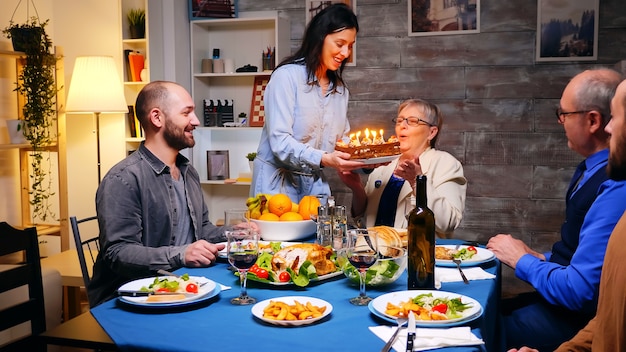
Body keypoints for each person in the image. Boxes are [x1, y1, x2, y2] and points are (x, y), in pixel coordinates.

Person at [487, 68, 626, 350]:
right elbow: (583, 255)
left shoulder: (615, 185)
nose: (611, 128)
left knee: (485, 328)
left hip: (574, 317)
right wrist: (541, 257)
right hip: (573, 312)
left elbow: (583, 292)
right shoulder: (590, 170)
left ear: (592, 121)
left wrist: (522, 261)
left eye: (564, 114)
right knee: (491, 308)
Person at [88, 81, 226, 306]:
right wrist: (181, 254)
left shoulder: (187, 171)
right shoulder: (123, 179)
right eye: (186, 113)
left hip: (182, 289)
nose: (196, 121)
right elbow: (118, 253)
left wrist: (238, 234)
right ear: (157, 118)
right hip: (133, 300)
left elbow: (202, 230)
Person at [250, 3, 367, 203]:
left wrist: (365, 161)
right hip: (277, 187)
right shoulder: (286, 77)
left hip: (314, 188)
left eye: (350, 46)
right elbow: (280, 143)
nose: (346, 53)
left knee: (322, 235)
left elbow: (342, 142)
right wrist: (323, 158)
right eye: (340, 44)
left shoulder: (339, 91)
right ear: (320, 37)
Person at [339, 98, 467, 237]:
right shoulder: (383, 164)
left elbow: (448, 223)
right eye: (399, 121)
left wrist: (417, 182)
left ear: (431, 132)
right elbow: (362, 220)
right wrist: (356, 187)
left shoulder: (446, 163)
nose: (402, 126)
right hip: (375, 254)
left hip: (415, 255)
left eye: (412, 121)